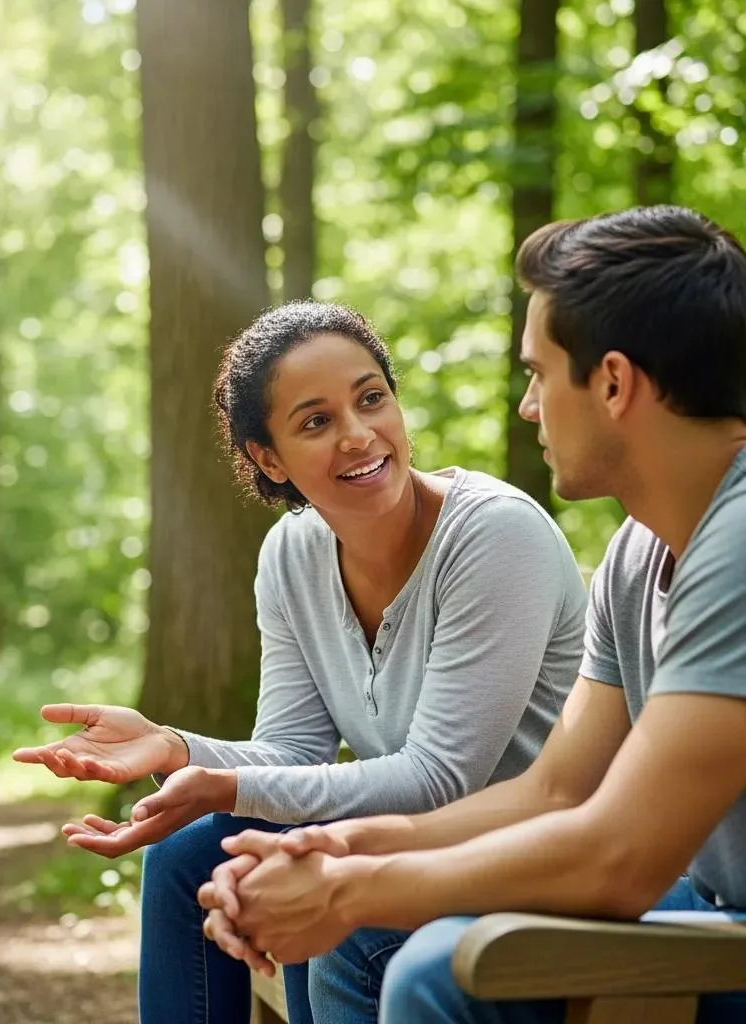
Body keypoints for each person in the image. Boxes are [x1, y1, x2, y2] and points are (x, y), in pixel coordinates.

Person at [199, 205, 746, 1024]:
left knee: (426, 968)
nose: (529, 408)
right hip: (705, 906)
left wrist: (354, 888)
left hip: (714, 926)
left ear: (613, 382)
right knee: (348, 925)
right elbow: (557, 792)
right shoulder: (638, 552)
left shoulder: (736, 543)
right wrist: (335, 846)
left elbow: (622, 858)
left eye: (537, 374)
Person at [12, 301, 588, 1024]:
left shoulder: (495, 536)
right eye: (316, 421)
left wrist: (220, 786)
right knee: (187, 857)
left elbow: (441, 778)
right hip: (402, 841)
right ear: (268, 458)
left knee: (332, 901)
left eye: (371, 398)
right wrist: (177, 747)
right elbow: (292, 752)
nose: (358, 435)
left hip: (517, 849)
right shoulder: (292, 554)